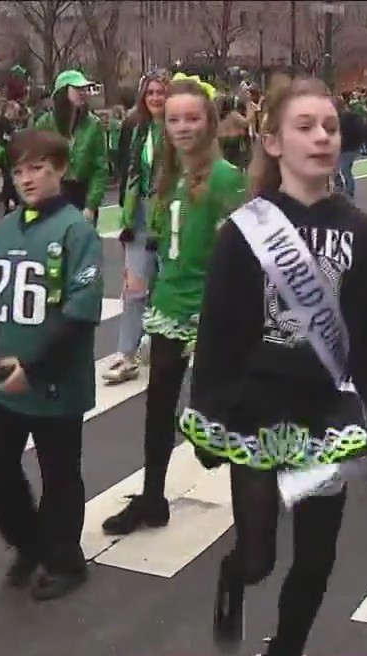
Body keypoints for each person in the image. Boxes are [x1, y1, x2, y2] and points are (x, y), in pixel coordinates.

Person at [178, 77, 367, 656]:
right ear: (272, 140)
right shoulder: (244, 231)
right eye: (306, 126)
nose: (322, 136)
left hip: (323, 417)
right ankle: (233, 572)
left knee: (318, 554)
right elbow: (217, 332)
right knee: (259, 555)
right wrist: (208, 416)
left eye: (329, 125)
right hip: (255, 414)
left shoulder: (360, 229)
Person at [101, 75, 246, 536]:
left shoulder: (225, 178)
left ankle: (259, 490)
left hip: (210, 309)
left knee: (213, 413)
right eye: (173, 120)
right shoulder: (167, 174)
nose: (182, 128)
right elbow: (163, 237)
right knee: (158, 404)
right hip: (169, 302)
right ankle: (152, 496)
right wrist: (141, 268)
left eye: (192, 119)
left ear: (209, 123)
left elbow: (238, 251)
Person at [0, 129, 104, 601]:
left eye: (37, 168)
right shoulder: (4, 230)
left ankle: (65, 559)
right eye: (18, 169)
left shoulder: (76, 230)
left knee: (59, 472)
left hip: (54, 379)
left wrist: (38, 366)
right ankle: (30, 542)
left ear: (60, 170)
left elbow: (81, 313)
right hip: (1, 375)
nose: (26, 179)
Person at [104, 70, 168, 386]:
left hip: (171, 213)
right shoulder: (134, 126)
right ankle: (126, 354)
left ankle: (161, 345)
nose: (156, 98)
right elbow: (124, 164)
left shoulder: (178, 126)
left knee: (169, 288)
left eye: (161, 92)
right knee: (134, 288)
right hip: (139, 213)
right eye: (151, 92)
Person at [32, 69, 108, 223]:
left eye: (85, 89)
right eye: (77, 88)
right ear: (62, 91)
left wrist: (91, 205)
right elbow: (34, 161)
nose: (84, 92)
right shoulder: (44, 123)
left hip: (81, 193)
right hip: (53, 192)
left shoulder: (94, 125)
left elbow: (100, 168)